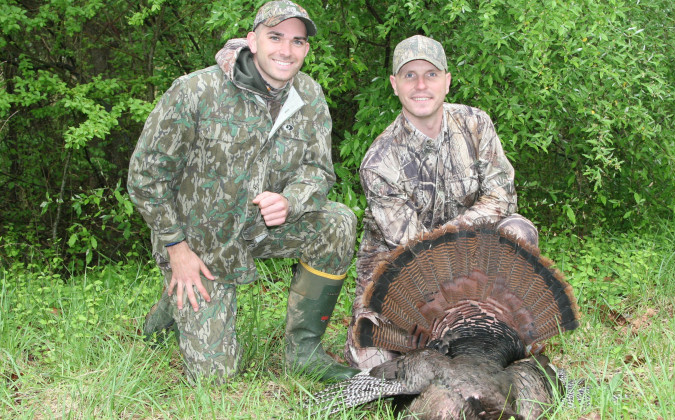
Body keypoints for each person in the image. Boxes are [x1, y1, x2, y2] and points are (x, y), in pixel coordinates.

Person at [127, 0, 359, 384]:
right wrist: (177, 249)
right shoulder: (195, 91)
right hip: (201, 245)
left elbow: (318, 171)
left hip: (263, 229)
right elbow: (144, 178)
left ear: (306, 49)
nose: (287, 50)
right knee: (215, 378)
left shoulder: (310, 97)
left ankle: (304, 352)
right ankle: (173, 303)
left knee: (338, 222)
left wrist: (291, 201)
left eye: (298, 41)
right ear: (252, 40)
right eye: (275, 37)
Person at [345, 35, 540, 369]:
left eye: (431, 74)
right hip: (399, 278)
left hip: (471, 261)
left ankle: (502, 333)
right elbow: (415, 255)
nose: (421, 85)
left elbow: (503, 196)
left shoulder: (476, 125)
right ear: (394, 85)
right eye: (409, 75)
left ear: (447, 81)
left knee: (518, 230)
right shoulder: (379, 162)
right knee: (374, 364)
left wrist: (457, 234)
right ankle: (457, 338)